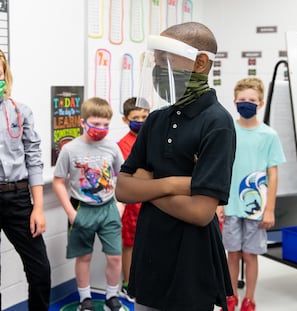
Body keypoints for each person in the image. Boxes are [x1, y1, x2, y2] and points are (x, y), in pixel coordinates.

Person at [115, 21, 236, 311]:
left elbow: (200, 212)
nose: (158, 70)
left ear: (201, 62)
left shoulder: (217, 123)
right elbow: (123, 188)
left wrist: (147, 186)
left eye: (165, 61)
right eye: (155, 61)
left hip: (190, 266)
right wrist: (177, 183)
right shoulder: (156, 119)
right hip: (149, 258)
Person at [0, 45, 51, 310]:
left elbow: (33, 157)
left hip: (19, 198)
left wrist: (38, 207)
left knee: (40, 270)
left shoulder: (21, 111)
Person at [53, 97, 125, 311]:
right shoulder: (69, 149)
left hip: (109, 208)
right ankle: (85, 300)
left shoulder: (112, 147)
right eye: (96, 124)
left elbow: (122, 178)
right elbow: (58, 181)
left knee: (114, 256)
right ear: (83, 122)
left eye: (105, 125)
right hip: (81, 208)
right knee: (84, 256)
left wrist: (120, 206)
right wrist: (70, 212)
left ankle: (112, 297)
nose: (101, 129)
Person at [220, 78, 286, 311]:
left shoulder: (269, 135)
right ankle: (230, 297)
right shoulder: (227, 131)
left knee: (250, 255)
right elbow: (221, 166)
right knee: (233, 254)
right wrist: (219, 203)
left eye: (251, 100)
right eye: (242, 100)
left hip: (256, 207)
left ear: (260, 103)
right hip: (230, 205)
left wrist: (269, 208)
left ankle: (249, 298)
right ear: (234, 102)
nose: (246, 103)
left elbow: (273, 173)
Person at [117, 97, 149, 302]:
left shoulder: (153, 138)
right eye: (136, 117)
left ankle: (146, 281)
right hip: (131, 205)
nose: (141, 120)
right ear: (125, 119)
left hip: (151, 200)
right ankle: (128, 284)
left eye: (145, 117)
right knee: (129, 244)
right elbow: (133, 174)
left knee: (149, 243)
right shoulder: (123, 144)